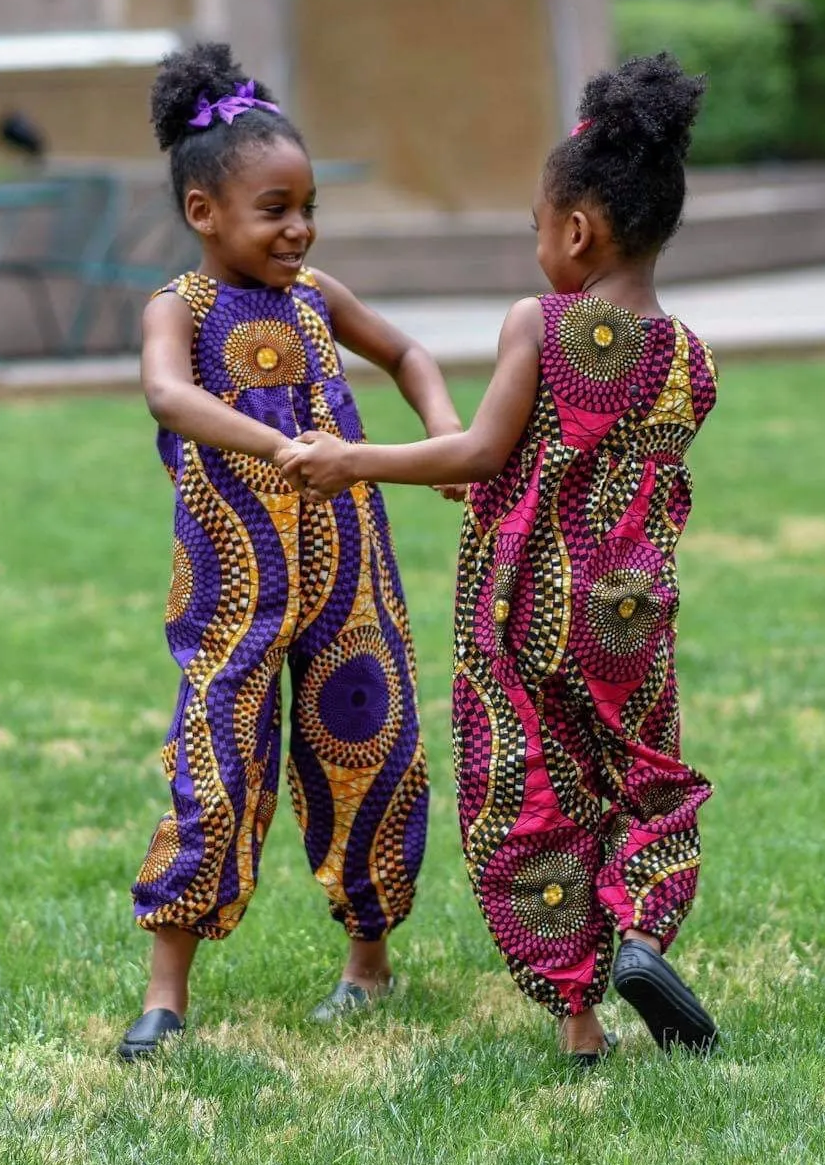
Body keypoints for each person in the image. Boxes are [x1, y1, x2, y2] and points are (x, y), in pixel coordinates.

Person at [284, 53, 721, 1066]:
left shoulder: (542, 322)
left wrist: (355, 457)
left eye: (535, 227)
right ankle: (646, 936)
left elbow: (487, 448)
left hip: (525, 609)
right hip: (628, 614)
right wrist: (491, 473)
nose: (536, 247)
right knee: (650, 780)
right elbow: (587, 458)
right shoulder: (691, 356)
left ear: (577, 230)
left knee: (532, 792)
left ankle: (576, 1018)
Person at [117, 44, 463, 1062]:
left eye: (307, 205)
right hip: (233, 593)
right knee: (214, 768)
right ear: (202, 212)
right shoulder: (176, 309)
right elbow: (167, 394)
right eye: (274, 208)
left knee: (370, 751)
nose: (298, 227)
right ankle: (165, 993)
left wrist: (440, 433)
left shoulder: (316, 296)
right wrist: (276, 444)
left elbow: (408, 351)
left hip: (348, 576)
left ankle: (367, 965)